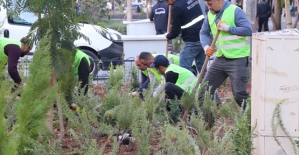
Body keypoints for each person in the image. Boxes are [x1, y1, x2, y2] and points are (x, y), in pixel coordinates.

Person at [199, 0, 252, 109]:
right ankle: (197, 120)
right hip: (220, 58)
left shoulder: (235, 11)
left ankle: (253, 118)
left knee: (239, 95)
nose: (208, 7)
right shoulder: (210, 14)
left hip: (238, 59)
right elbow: (203, 32)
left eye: (210, 4)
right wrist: (206, 47)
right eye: (207, 4)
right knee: (204, 91)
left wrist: (227, 28)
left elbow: (248, 30)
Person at [164, 0, 205, 74]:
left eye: (167, 0)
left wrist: (167, 36)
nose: (167, 3)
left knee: (183, 69)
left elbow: (175, 32)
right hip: (204, 38)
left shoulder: (176, 8)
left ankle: (188, 85)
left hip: (192, 41)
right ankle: (207, 85)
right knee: (202, 68)